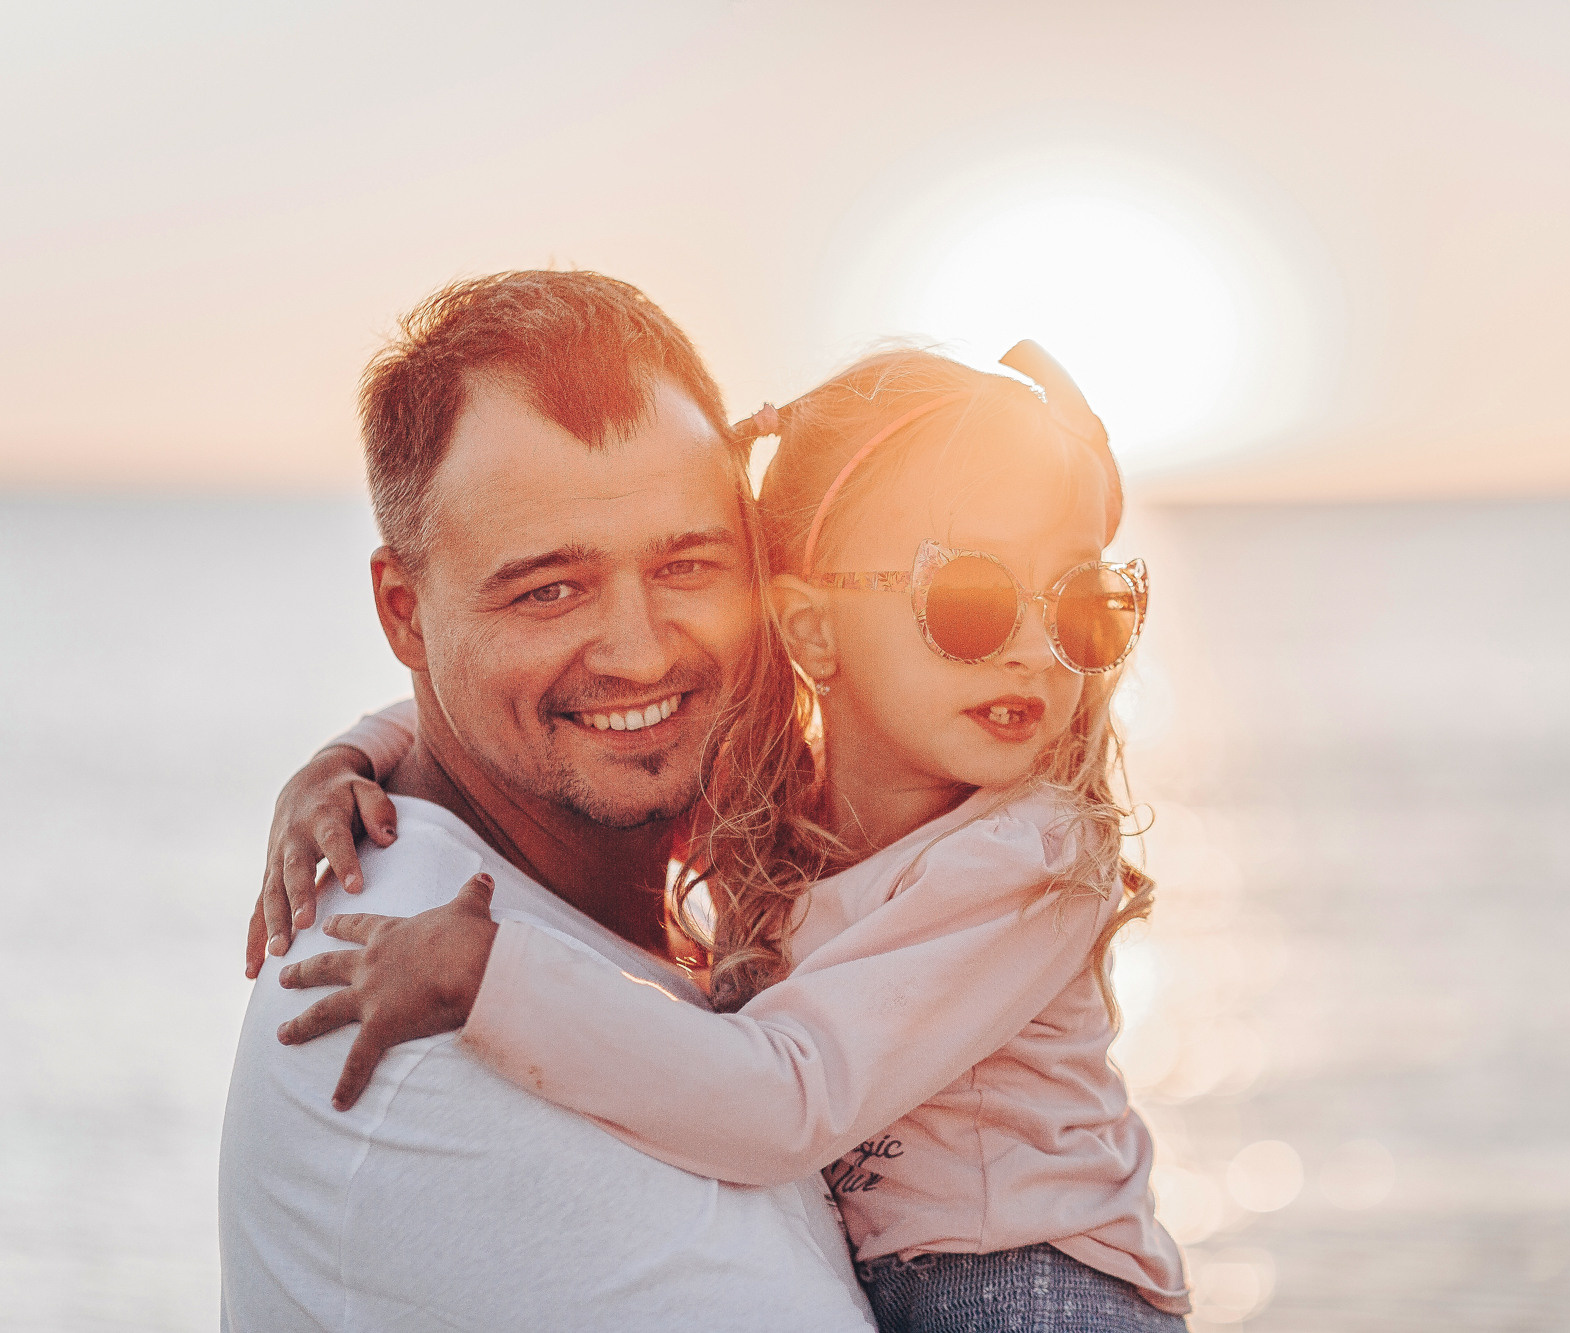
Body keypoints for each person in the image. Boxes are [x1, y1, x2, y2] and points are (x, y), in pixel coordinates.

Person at [267, 345, 1193, 1329]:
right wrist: (349, 759)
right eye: (971, 599)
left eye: (1084, 609)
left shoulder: (1027, 860)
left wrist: (491, 978)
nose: (1032, 650)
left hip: (1032, 1292)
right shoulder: (778, 793)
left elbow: (790, 1097)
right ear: (813, 628)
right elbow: (558, 711)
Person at [219, 270, 875, 1330]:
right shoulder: (412, 1026)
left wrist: (356, 742)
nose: (639, 650)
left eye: (685, 564)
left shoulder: (589, 889)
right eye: (548, 590)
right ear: (406, 612)